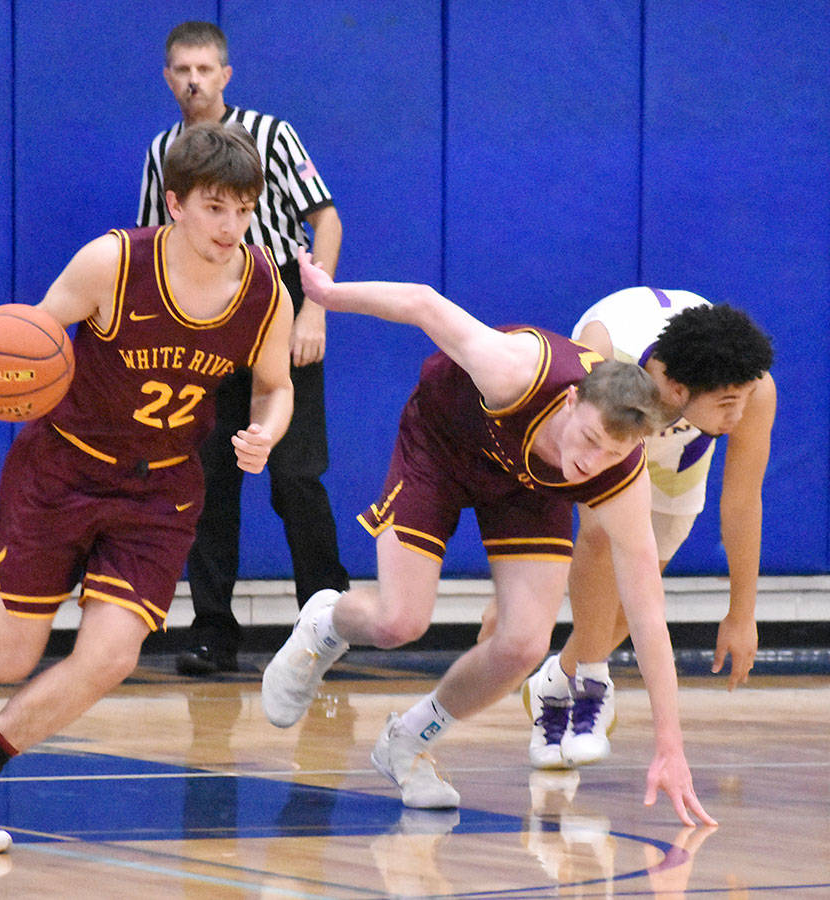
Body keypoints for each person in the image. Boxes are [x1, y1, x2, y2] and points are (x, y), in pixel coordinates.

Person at [0, 121, 295, 853]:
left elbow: (275, 385)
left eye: (243, 210)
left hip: (162, 490)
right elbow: (32, 339)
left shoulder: (265, 291)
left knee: (112, 657)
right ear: (175, 203)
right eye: (214, 208)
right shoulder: (111, 263)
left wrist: (266, 430)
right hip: (65, 470)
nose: (231, 227)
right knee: (8, 659)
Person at [261, 251, 716, 827]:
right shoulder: (515, 369)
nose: (592, 461)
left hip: (526, 486)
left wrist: (670, 746)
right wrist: (329, 295)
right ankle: (326, 623)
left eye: (613, 452)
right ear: (572, 401)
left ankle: (408, 741)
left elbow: (648, 616)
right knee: (399, 622)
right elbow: (423, 303)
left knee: (524, 644)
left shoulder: (619, 476)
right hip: (442, 445)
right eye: (590, 438)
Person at [139, 20, 349, 675]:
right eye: (182, 69)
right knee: (205, 479)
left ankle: (326, 622)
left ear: (225, 75)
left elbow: (325, 219)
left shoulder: (273, 135)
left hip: (276, 297)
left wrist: (316, 306)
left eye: (205, 68)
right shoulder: (162, 151)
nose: (194, 80)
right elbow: (150, 245)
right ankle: (212, 631)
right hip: (198, 318)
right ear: (167, 77)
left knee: (295, 476)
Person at [516, 288, 774, 770]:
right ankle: (592, 686)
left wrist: (742, 613)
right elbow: (544, 458)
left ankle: (555, 680)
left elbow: (742, 503)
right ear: (677, 390)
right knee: (599, 536)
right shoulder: (603, 354)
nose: (737, 416)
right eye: (726, 404)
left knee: (636, 592)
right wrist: (519, 585)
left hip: (678, 454)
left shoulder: (752, 388)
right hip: (613, 426)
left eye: (740, 401)